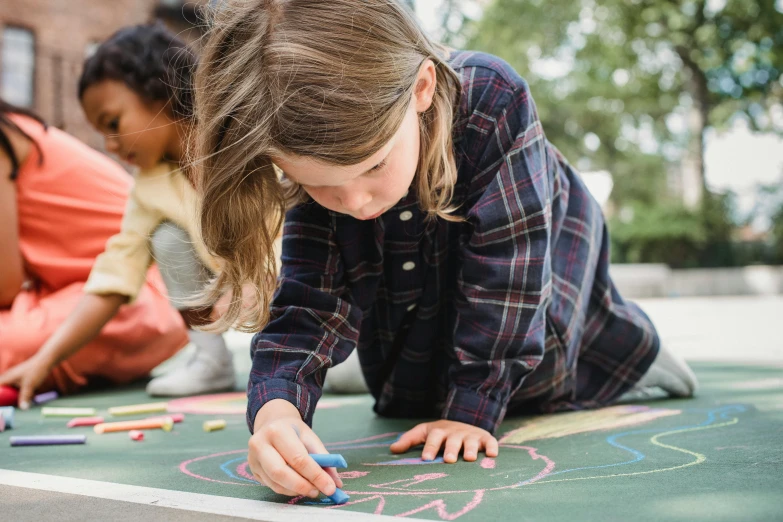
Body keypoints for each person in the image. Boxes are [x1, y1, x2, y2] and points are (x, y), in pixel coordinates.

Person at [191, 0, 698, 501]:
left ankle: (637, 354)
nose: (356, 203)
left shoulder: (493, 99)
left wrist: (472, 409)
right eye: (322, 187)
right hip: (416, 312)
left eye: (372, 167)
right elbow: (309, 299)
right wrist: (277, 409)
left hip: (543, 296)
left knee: (543, 381)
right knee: (407, 396)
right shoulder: (312, 146)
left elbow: (509, 277)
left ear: (422, 89)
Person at [0, 23, 236, 405]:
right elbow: (115, 274)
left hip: (301, 292)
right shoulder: (151, 184)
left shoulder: (241, 142)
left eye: (113, 124)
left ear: (160, 91)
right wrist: (44, 360)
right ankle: (212, 359)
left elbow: (290, 237)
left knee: (344, 375)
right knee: (168, 238)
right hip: (246, 302)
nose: (110, 145)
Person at [0, 99, 188, 408]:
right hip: (90, 291)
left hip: (137, 295)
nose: (111, 145)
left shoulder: (7, 136)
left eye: (114, 125)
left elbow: (6, 285)